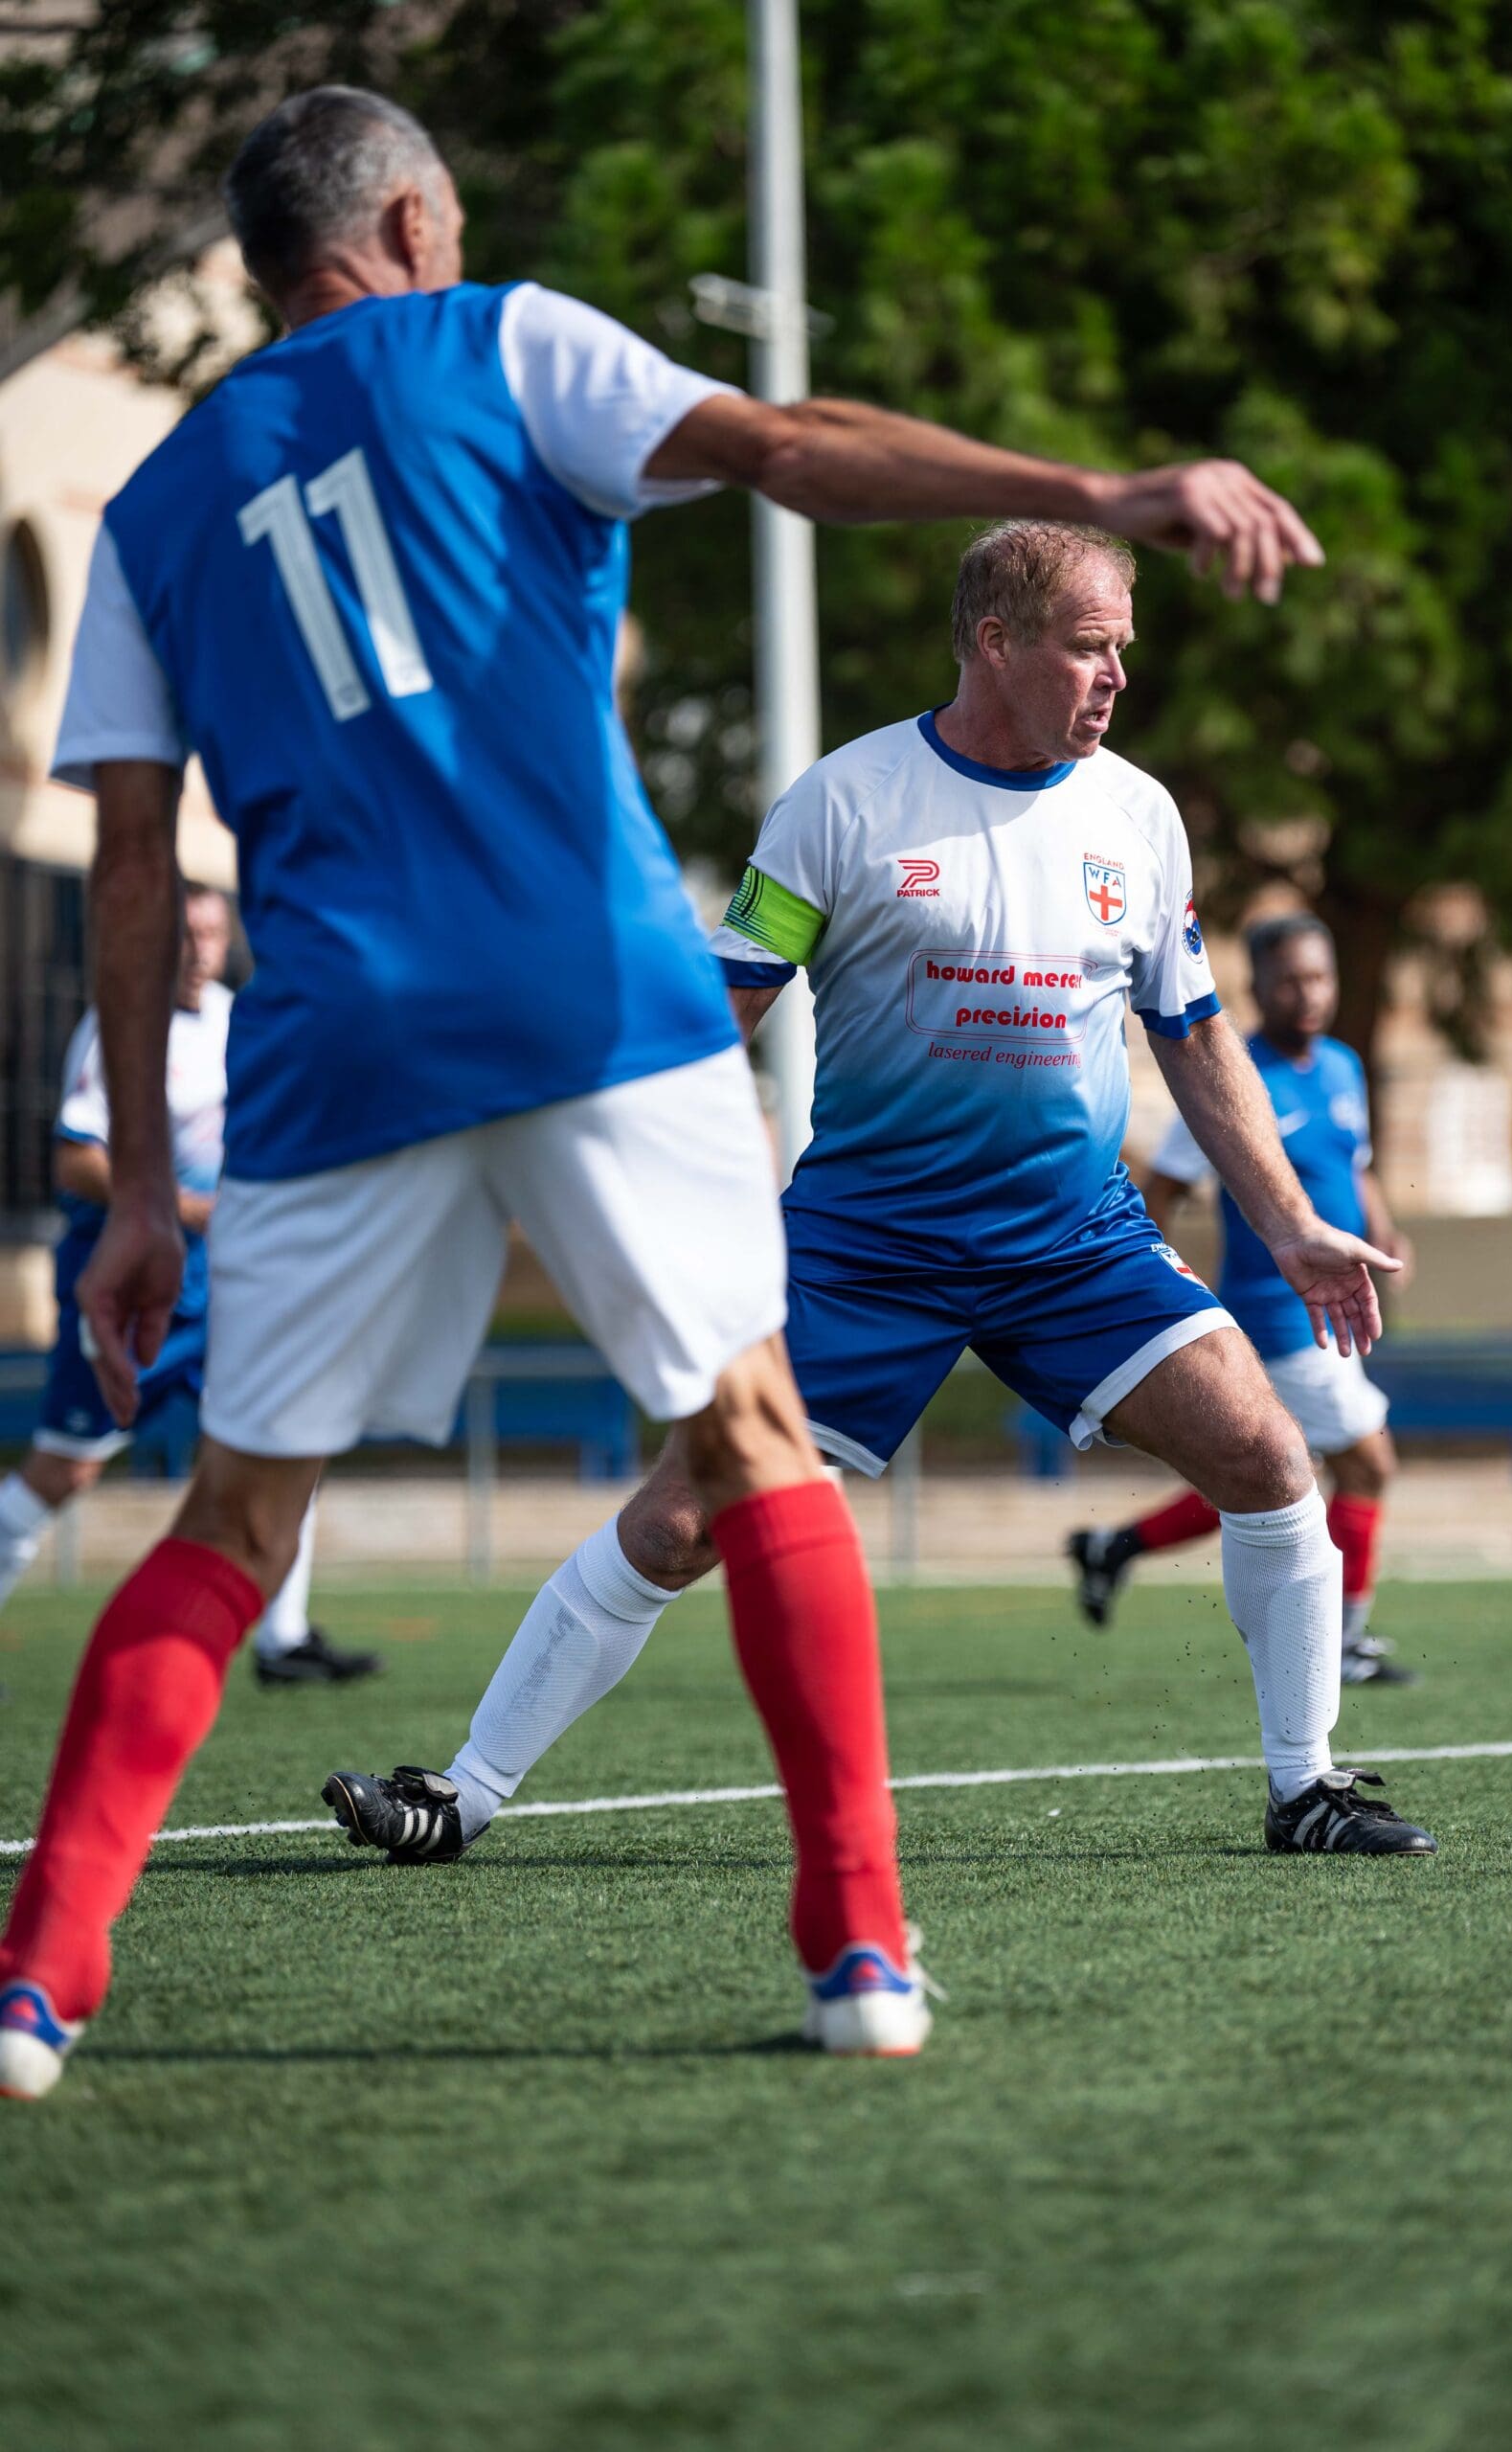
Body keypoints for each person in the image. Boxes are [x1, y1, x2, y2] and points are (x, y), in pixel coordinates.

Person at [0, 78, 1327, 2100]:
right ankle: (857, 1945)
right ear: (415, 222)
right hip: (594, 991)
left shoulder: (160, 501)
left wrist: (128, 1209)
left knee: (236, 1512)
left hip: (335, 1027)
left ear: (262, 266)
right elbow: (791, 448)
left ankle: (36, 1986)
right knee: (753, 1447)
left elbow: (122, 861)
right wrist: (1102, 485)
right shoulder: (501, 342)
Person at [325, 521, 1435, 1892]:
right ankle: (461, 1793)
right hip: (865, 1248)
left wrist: (1289, 1223)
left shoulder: (1137, 814)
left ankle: (1305, 1786)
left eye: (1122, 651)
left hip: (1075, 1242)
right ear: (995, 642)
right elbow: (717, 1017)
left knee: (1269, 1456)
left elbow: (1196, 1037)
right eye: (1089, 649)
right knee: (680, 1522)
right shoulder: (844, 802)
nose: (1115, 678)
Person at [0, 886, 379, 1688]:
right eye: (183, 932)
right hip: (133, 1286)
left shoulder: (239, 1020)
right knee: (66, 1469)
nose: (198, 948)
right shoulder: (119, 1024)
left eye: (210, 932)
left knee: (288, 1436)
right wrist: (189, 1207)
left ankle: (282, 1639)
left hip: (228, 1287)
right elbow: (74, 1159)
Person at [1068, 914, 1414, 1685]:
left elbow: (1354, 1165)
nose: (1308, 994)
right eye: (1289, 980)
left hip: (1338, 1307)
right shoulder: (1230, 1080)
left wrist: (1387, 1231)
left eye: (1319, 977)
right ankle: (1342, 1644)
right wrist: (1158, 1283)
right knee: (1368, 1465)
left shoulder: (1343, 1066)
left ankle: (1112, 1547)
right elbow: (1162, 1191)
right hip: (1283, 1316)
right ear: (1254, 985)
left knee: (1273, 1472)